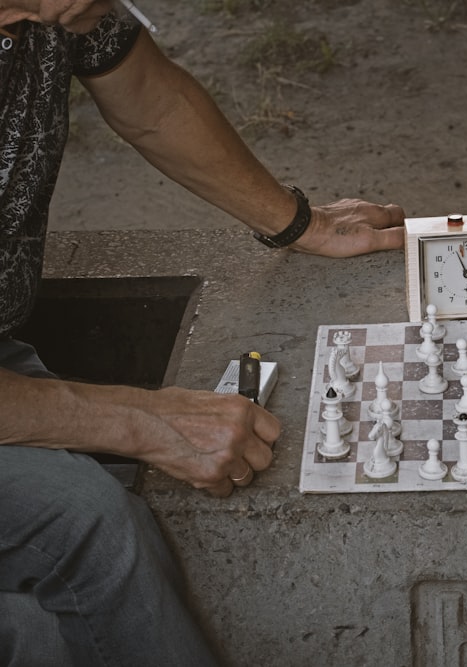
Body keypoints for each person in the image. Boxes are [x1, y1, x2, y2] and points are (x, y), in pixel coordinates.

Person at [0, 1, 403, 664]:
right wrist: (141, 418)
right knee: (88, 526)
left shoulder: (70, 10)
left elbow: (151, 101)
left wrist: (301, 224)